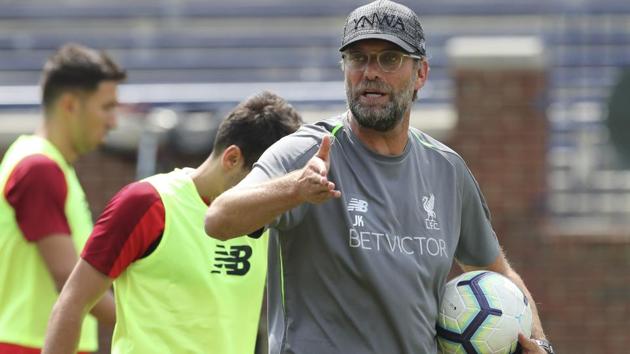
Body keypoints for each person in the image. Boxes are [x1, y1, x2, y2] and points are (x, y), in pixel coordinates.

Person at [204, 1, 554, 354]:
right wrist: (294, 188)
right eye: (358, 58)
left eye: (389, 59)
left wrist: (540, 344)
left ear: (421, 73)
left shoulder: (447, 170)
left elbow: (500, 275)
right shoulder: (308, 152)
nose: (370, 72)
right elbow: (219, 218)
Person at [42, 91, 303, 354]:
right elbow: (72, 302)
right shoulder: (146, 203)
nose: (270, 192)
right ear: (232, 159)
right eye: (265, 178)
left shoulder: (269, 217)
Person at [0, 43, 126, 354]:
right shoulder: (39, 167)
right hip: (28, 345)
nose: (114, 122)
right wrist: (148, 317)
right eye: (107, 107)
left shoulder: (45, 163)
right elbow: (71, 283)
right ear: (70, 105)